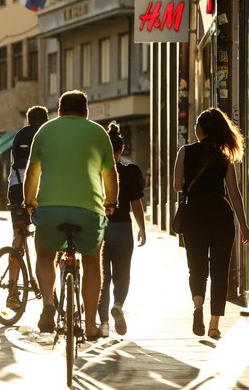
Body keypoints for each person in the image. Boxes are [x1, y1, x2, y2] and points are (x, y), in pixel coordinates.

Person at [23, 90, 118, 340]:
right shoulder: (99, 132)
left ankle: (48, 304)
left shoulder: (45, 131)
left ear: (59, 112)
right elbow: (110, 175)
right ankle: (89, 325)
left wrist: (29, 201)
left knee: (44, 253)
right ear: (86, 112)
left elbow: (32, 172)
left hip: (50, 209)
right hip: (89, 210)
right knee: (91, 260)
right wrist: (111, 202)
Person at [173, 108, 249, 340]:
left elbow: (177, 186)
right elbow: (234, 194)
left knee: (196, 266)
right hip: (220, 215)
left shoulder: (185, 152)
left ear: (201, 129)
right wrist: (244, 226)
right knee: (220, 270)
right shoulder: (223, 156)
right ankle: (214, 325)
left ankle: (198, 306)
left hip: (194, 215)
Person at [98, 121, 146, 337]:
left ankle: (104, 324)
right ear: (121, 150)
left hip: (99, 226)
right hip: (123, 227)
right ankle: (118, 304)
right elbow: (136, 204)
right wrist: (142, 229)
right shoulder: (131, 171)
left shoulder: (95, 173)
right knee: (122, 275)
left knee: (101, 277)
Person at [5, 106, 48, 310]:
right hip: (42, 188)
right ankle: (50, 287)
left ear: (28, 120)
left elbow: (15, 163)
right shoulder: (48, 134)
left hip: (17, 187)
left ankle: (12, 288)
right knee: (48, 235)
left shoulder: (20, 135)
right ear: (46, 119)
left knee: (19, 235)